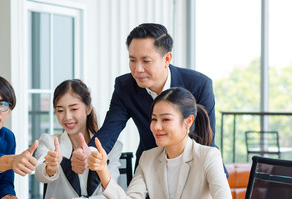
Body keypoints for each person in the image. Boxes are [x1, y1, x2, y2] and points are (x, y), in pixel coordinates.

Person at [71, 23, 227, 177]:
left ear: (167, 58)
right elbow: (110, 130)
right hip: (150, 174)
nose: (137, 69)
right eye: (132, 60)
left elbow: (206, 138)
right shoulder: (125, 87)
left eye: (146, 61)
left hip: (198, 171)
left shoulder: (199, 84)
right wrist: (89, 152)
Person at [88, 87, 233, 199]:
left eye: (165, 119)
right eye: (154, 119)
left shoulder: (208, 156)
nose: (156, 127)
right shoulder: (147, 158)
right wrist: (103, 171)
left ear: (188, 121)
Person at [35, 79, 122, 199]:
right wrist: (49, 168)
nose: (67, 117)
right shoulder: (49, 141)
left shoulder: (111, 147)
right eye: (60, 110)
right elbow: (39, 174)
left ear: (88, 109)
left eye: (74, 109)